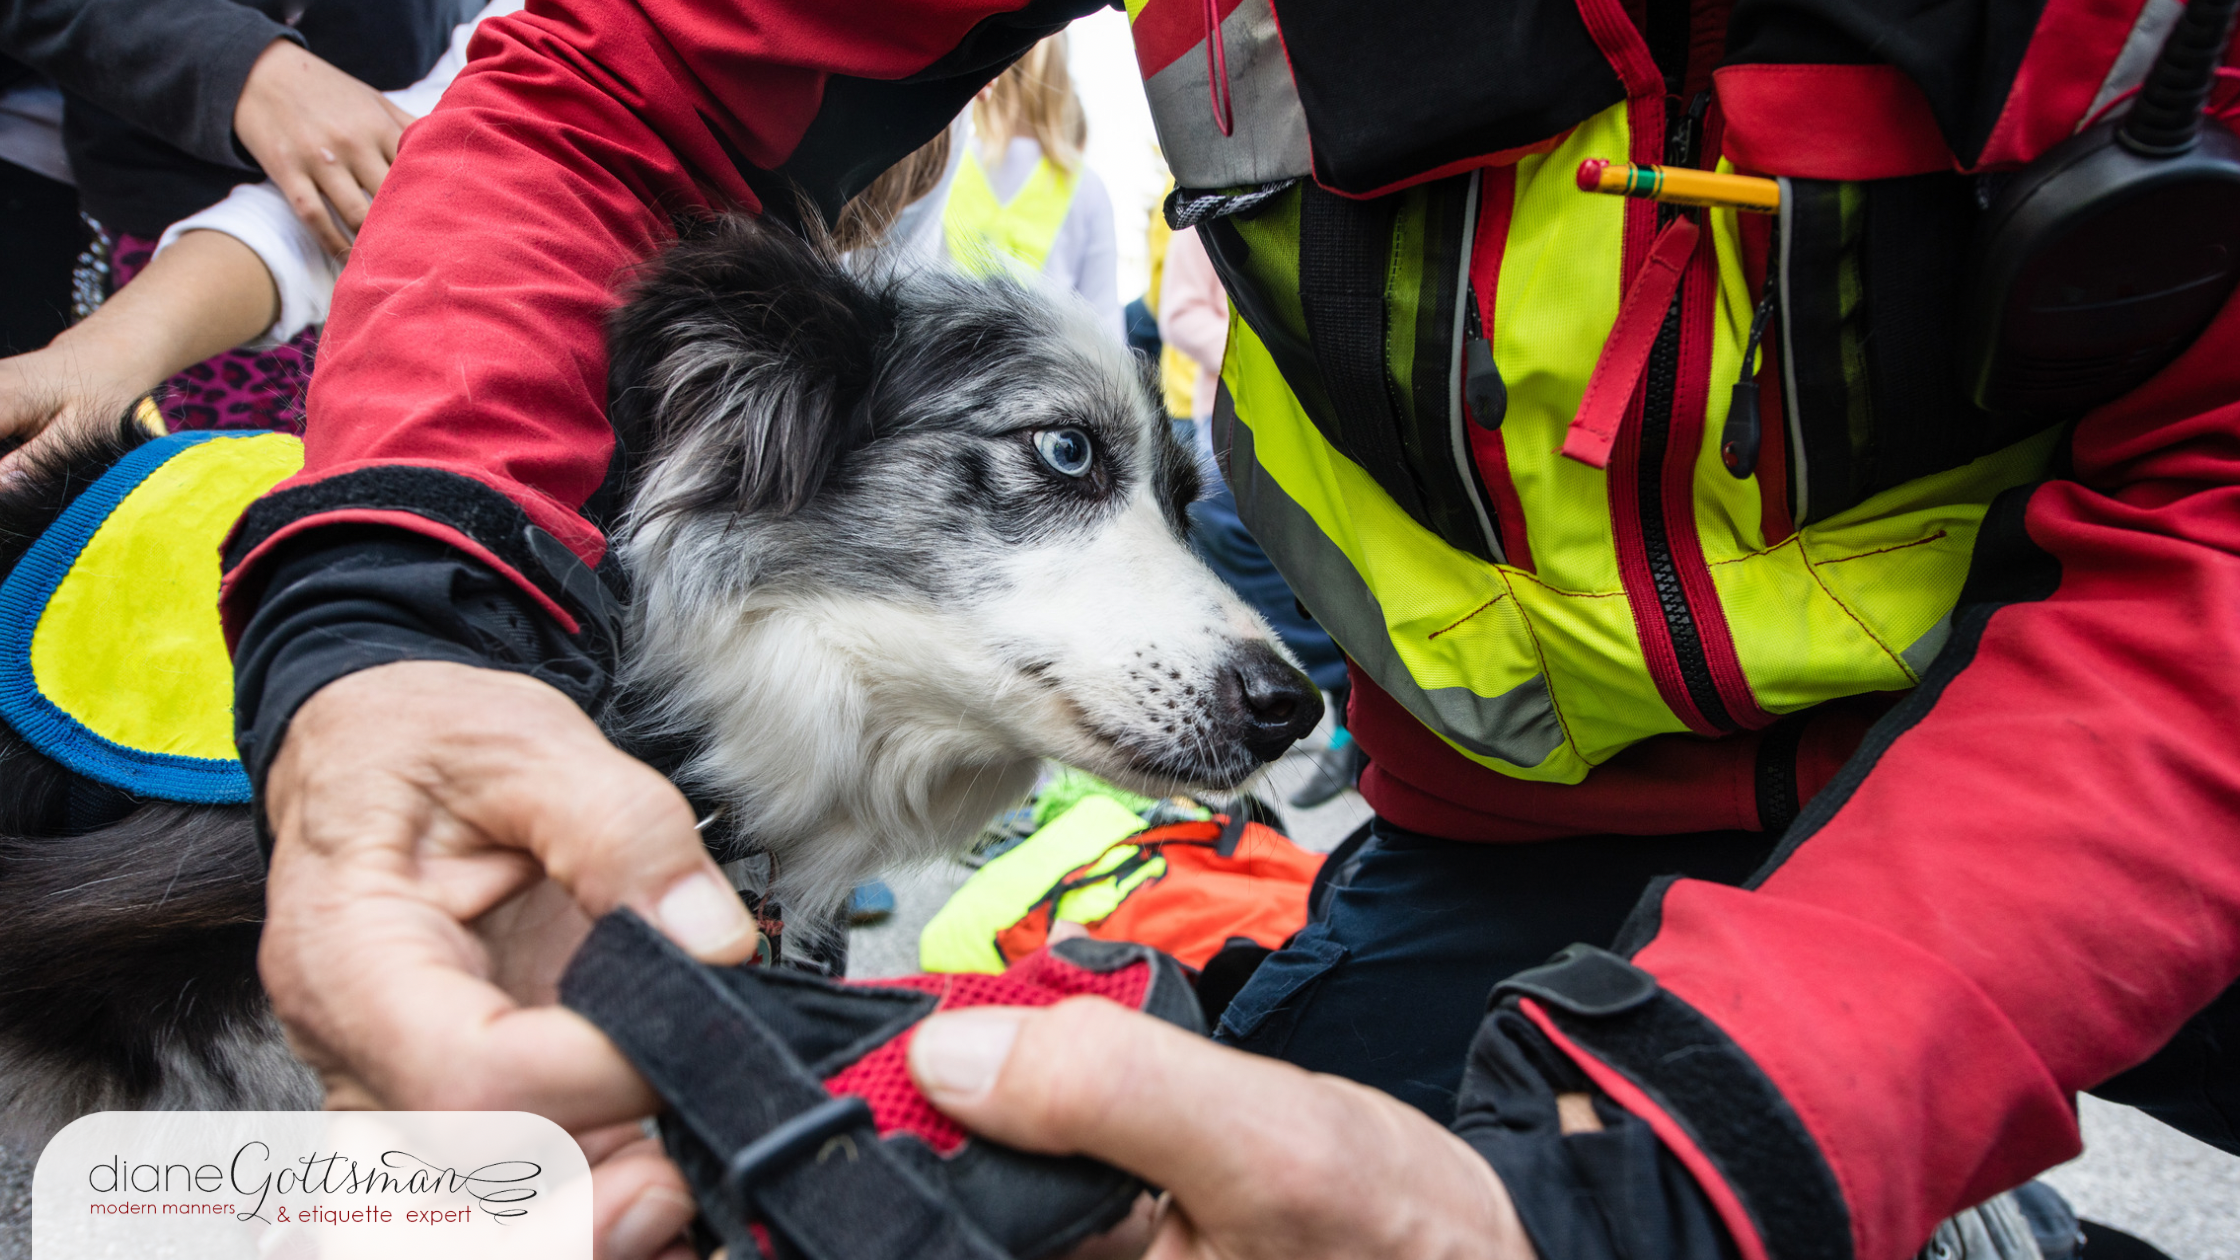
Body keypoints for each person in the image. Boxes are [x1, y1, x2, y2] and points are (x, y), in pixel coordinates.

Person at [221, 1, 2240, 1258]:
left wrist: (1690, 1156)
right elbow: (604, 88)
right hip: (1502, 825)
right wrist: (400, 625)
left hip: (2063, 779)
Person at [0, 1, 519, 471]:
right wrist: (107, 354)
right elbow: (348, 197)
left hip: (423, 315)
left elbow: (464, 134)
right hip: (175, 238)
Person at [940, 33, 1122, 341]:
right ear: (1060, 74)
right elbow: (1107, 329)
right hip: (1050, 381)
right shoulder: (1086, 188)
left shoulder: (946, 168)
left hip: (947, 374)